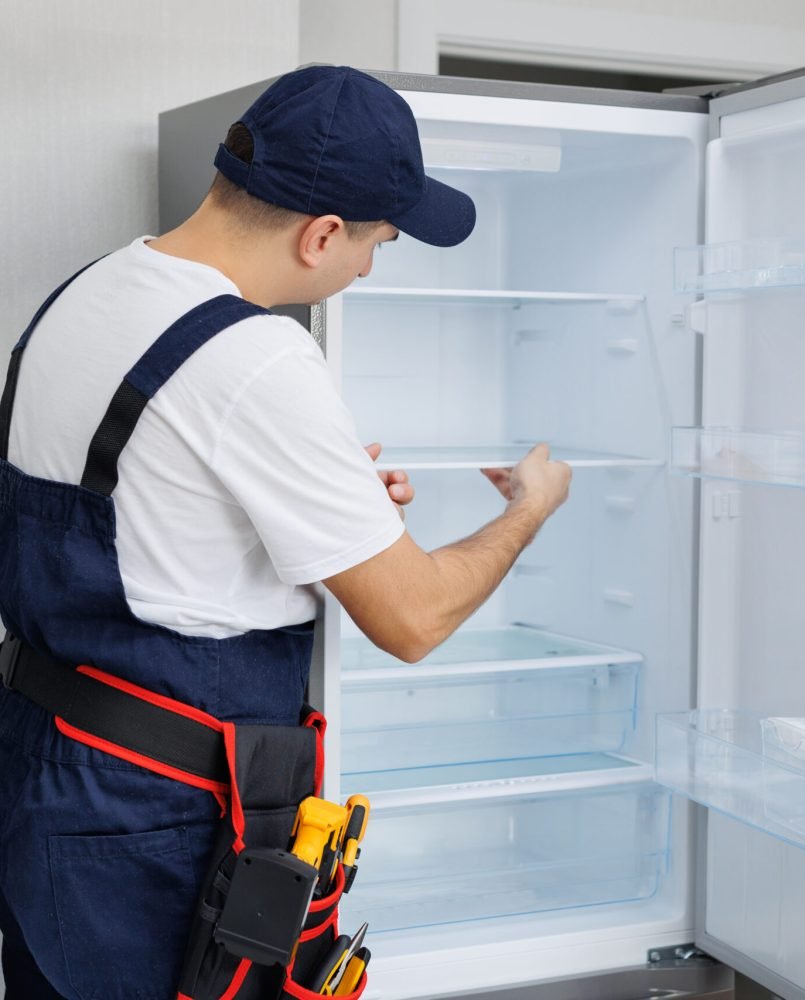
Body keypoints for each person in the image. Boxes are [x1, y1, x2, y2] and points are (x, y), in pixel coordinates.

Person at [0, 65, 571, 999]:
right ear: (320, 235)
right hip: (155, 819)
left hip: (44, 768)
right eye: (377, 242)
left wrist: (324, 498)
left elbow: (152, 495)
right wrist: (528, 509)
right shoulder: (258, 355)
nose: (369, 269)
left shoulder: (89, 291)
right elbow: (414, 620)